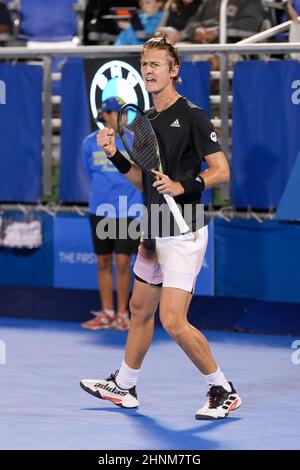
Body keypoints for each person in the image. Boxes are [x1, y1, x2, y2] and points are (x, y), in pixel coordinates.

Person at [80, 34, 242, 420]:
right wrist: (115, 155)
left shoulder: (193, 115)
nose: (149, 70)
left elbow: (221, 171)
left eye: (156, 64)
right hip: (154, 225)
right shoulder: (145, 121)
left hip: (184, 227)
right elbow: (141, 180)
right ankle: (124, 385)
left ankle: (222, 388)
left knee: (172, 319)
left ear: (174, 71)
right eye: (145, 63)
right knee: (139, 309)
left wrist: (184, 185)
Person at [81, 97, 142, 331]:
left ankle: (123, 314)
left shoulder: (135, 141)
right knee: (103, 261)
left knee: (123, 261)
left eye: (122, 113)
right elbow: (89, 172)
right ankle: (106, 313)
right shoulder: (89, 143)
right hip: (100, 210)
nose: (120, 117)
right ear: (104, 115)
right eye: (116, 113)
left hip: (129, 210)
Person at [163, 0, 264, 44]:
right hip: (201, 44)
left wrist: (216, 32)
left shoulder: (251, 1)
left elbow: (251, 25)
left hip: (232, 48)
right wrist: (195, 31)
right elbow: (194, 20)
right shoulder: (210, 1)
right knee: (168, 53)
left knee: (210, 62)